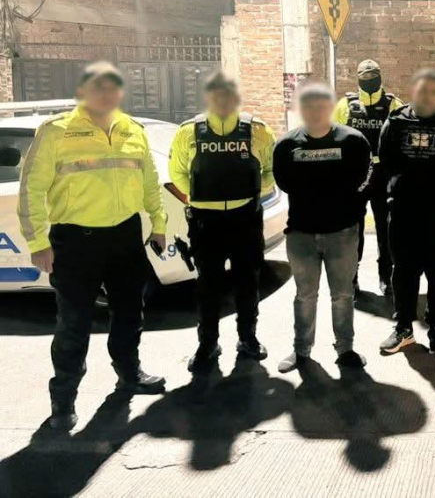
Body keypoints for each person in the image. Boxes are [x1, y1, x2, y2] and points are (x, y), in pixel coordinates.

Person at [18, 61, 167, 430]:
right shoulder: (56, 131)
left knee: (130, 314)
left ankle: (129, 374)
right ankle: (63, 400)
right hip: (75, 241)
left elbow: (149, 181)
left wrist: (159, 223)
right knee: (73, 323)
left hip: (125, 236)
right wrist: (38, 242)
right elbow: (31, 188)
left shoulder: (132, 129)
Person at [168, 71, 275, 372]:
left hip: (244, 218)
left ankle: (247, 338)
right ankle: (207, 344)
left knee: (247, 283)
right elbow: (177, 173)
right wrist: (201, 196)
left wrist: (250, 190)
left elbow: (271, 171)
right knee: (208, 286)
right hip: (206, 223)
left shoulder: (258, 130)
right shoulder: (189, 132)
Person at [274, 83, 371, 372]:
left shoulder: (353, 141)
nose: (315, 111)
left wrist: (347, 211)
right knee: (305, 296)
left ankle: (345, 350)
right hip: (301, 234)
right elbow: (284, 182)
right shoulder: (287, 145)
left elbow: (363, 180)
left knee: (342, 296)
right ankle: (301, 350)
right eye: (309, 106)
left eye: (321, 106)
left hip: (342, 234)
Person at [378, 68, 435, 355]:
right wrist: (401, 191)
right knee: (403, 273)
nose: (428, 96)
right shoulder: (395, 123)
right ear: (413, 92)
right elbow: (386, 161)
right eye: (423, 91)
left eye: (434, 92)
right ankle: (403, 328)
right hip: (404, 213)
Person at [333, 59, 404, 296]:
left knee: (386, 230)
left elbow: (401, 140)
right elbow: (334, 138)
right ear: (358, 79)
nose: (370, 81)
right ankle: (352, 278)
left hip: (383, 174)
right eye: (365, 78)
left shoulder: (393, 104)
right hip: (355, 175)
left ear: (380, 77)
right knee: (354, 231)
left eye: (373, 77)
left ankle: (386, 277)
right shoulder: (345, 105)